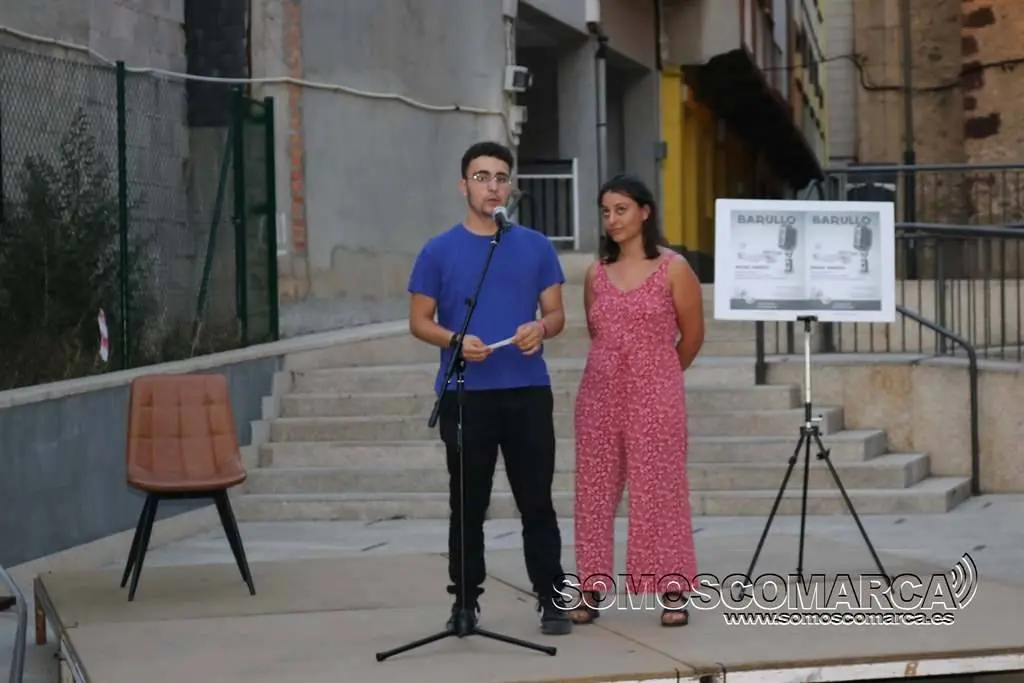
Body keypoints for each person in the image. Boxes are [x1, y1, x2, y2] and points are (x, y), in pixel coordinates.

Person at [406, 141, 573, 636]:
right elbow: (419, 321)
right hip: (466, 395)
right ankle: (464, 602)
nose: (492, 186)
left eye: (500, 177)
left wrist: (540, 328)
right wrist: (455, 340)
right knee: (468, 505)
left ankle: (551, 598)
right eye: (481, 177)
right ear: (464, 186)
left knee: (536, 501)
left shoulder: (536, 246)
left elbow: (556, 314)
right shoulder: (438, 250)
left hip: (526, 392)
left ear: (510, 186)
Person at [567, 174, 705, 628]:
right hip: (599, 394)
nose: (612, 219)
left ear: (645, 212)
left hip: (656, 395)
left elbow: (693, 336)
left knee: (660, 489)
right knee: (593, 490)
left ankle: (671, 588)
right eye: (606, 211)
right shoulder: (596, 273)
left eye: (621, 209)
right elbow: (597, 331)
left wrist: (658, 375)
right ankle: (590, 586)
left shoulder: (674, 268)